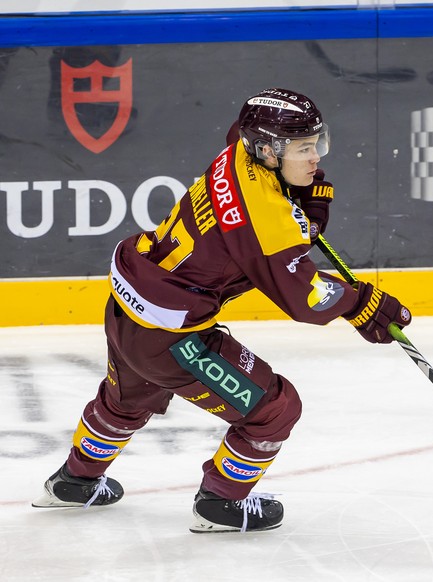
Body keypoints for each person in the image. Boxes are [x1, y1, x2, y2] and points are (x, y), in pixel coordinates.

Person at [32, 87, 412, 533]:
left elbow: (271, 234)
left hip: (128, 308)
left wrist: (306, 211)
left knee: (126, 401)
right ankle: (220, 503)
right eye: (304, 148)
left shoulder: (237, 150)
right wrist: (361, 303)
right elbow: (306, 297)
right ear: (268, 149)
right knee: (274, 409)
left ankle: (73, 483)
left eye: (316, 144)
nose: (316, 157)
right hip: (173, 338)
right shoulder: (265, 217)